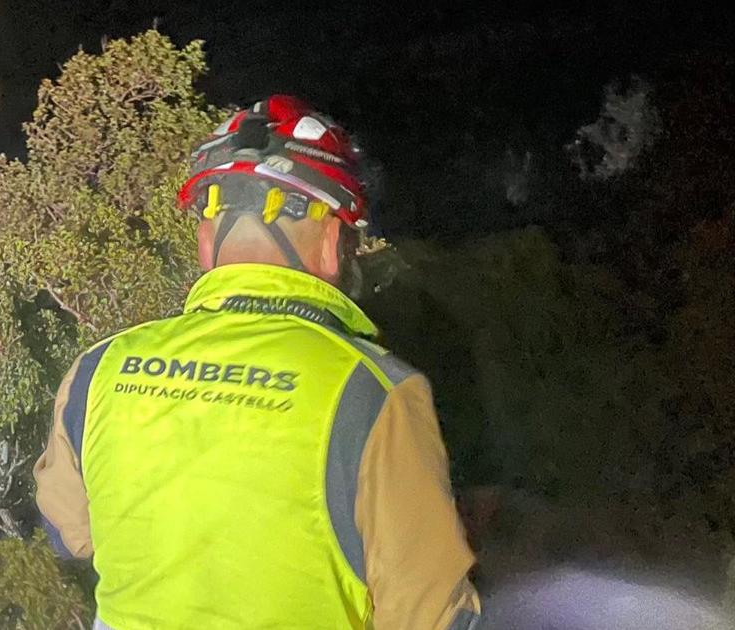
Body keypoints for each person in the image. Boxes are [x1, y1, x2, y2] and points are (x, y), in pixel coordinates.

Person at [34, 95, 480, 630]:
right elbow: (430, 617)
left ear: (206, 241)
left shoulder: (100, 369)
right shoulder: (376, 392)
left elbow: (70, 533)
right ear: (334, 242)